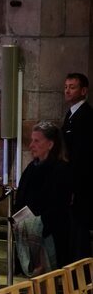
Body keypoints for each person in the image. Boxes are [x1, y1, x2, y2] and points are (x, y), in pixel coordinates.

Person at [14, 122, 73, 273]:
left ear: (50, 144)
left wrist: (39, 225)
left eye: (37, 141)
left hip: (49, 234)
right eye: (31, 140)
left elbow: (59, 206)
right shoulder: (31, 168)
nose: (31, 145)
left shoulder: (61, 170)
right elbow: (21, 197)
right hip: (28, 230)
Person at [62, 72, 92, 258]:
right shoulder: (71, 114)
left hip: (82, 185)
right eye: (66, 87)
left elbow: (82, 155)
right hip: (72, 181)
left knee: (80, 229)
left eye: (72, 87)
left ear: (83, 91)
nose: (67, 91)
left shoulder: (86, 117)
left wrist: (73, 186)